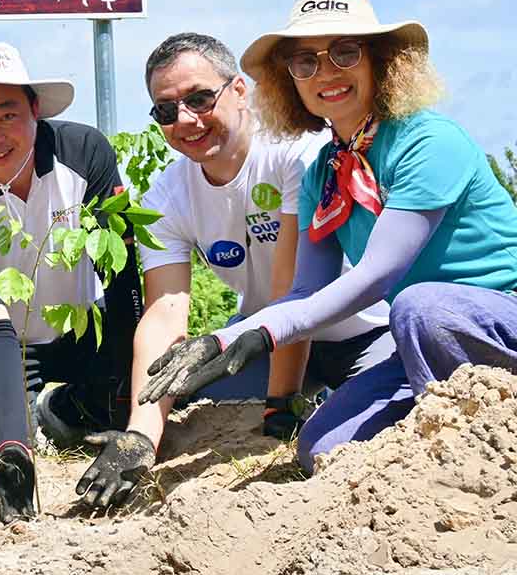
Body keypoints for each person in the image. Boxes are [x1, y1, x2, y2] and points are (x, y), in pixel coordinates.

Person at [139, 0, 517, 472]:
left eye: (344, 52)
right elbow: (303, 292)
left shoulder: (430, 142)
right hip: (416, 342)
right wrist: (226, 338)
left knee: (422, 306)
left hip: (488, 325)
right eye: (306, 62)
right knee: (323, 447)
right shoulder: (324, 169)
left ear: (380, 59)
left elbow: (375, 277)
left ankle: (475, 438)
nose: (326, 73)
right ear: (288, 80)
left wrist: (258, 334)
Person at [0, 42, 145, 523]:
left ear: (35, 110)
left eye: (8, 115)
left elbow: (119, 276)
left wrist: (128, 402)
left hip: (78, 328)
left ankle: (60, 406)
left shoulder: (84, 153)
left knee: (118, 406)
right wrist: (15, 450)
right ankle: (10, 423)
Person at [137, 33, 392, 445]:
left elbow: (292, 288)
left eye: (199, 99)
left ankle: (318, 401)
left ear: (239, 90)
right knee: (183, 398)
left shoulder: (297, 152)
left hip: (362, 332)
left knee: (362, 430)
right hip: (261, 341)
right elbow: (164, 314)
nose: (185, 119)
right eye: (166, 110)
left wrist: (280, 401)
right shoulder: (164, 197)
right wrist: (141, 435)